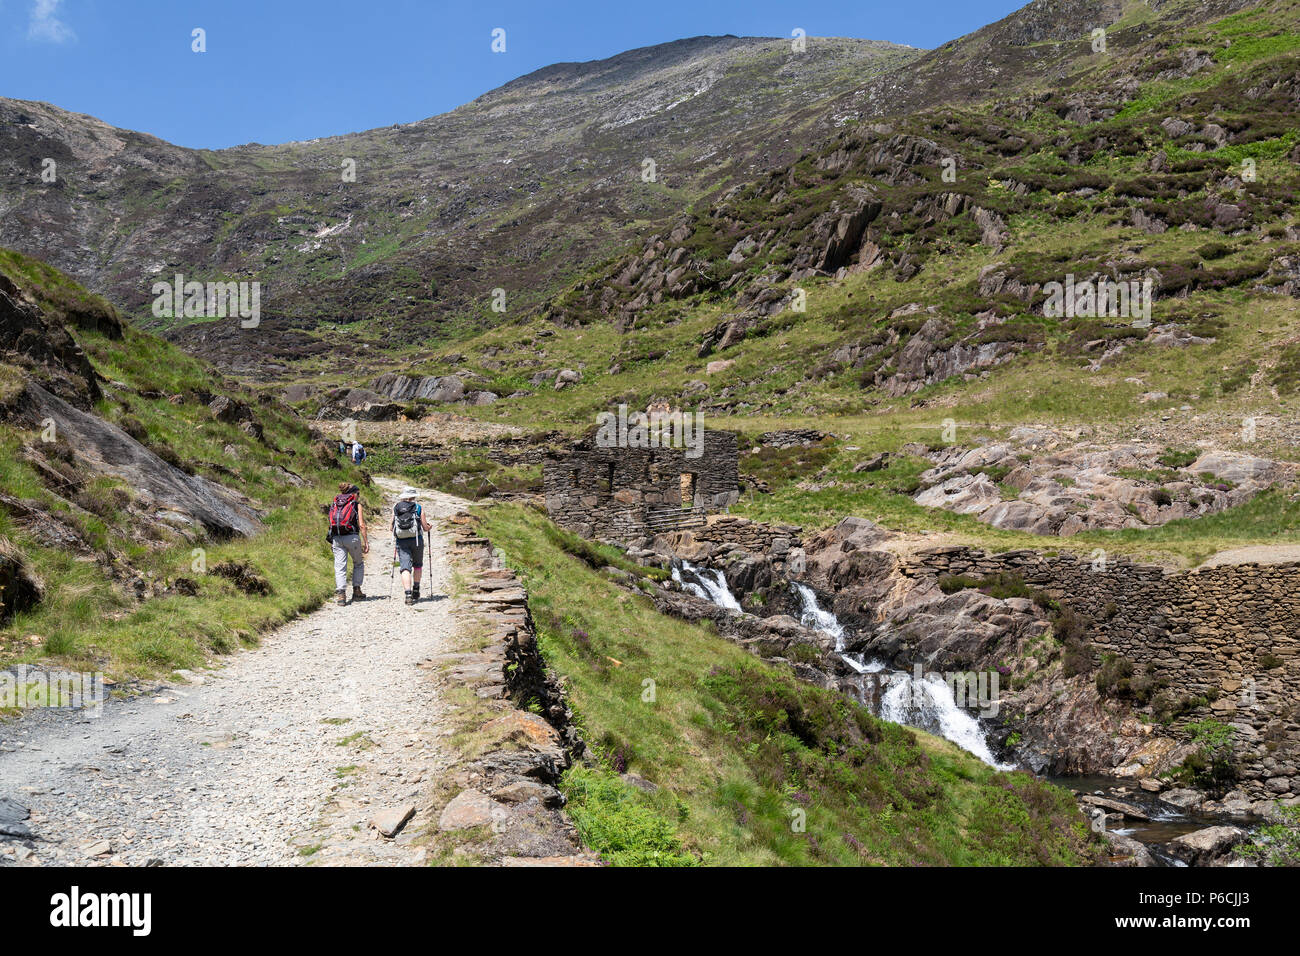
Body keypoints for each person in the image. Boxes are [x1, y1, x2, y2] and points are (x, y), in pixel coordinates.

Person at [327, 482, 368, 605]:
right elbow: (361, 524)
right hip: (352, 537)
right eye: (358, 494)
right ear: (354, 494)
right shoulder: (356, 505)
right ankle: (356, 591)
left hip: (337, 538)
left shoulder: (335, 503)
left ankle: (341, 595)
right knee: (358, 563)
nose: (358, 496)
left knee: (340, 567)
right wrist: (366, 542)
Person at [392, 486, 432, 606]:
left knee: (405, 567)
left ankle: (408, 594)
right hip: (417, 540)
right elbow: (425, 528)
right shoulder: (418, 507)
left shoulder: (396, 507)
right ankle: (416, 589)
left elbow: (391, 527)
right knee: (418, 565)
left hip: (401, 541)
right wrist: (429, 527)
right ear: (414, 496)